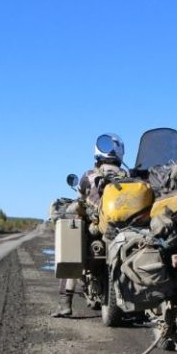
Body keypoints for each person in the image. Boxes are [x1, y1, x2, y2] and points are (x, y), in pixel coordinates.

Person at [51, 133, 126, 318]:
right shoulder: (128, 174)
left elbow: (82, 196)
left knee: (72, 238)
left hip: (97, 226)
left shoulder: (89, 175)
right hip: (123, 225)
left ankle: (65, 303)